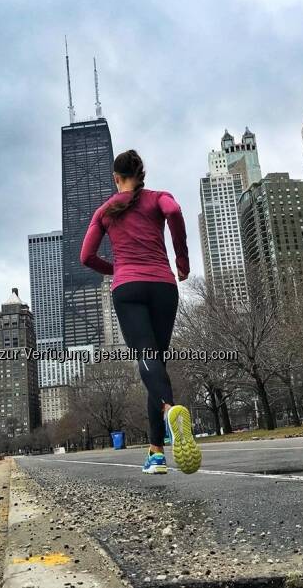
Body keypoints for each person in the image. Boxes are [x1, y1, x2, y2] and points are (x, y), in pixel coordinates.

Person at [80, 149, 202, 475]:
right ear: (141, 174)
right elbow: (174, 212)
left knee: (148, 360)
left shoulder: (105, 210)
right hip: (163, 286)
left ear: (116, 178)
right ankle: (157, 453)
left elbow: (86, 257)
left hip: (128, 289)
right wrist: (182, 261)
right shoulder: (159, 197)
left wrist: (116, 268)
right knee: (156, 364)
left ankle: (168, 409)